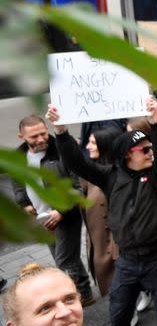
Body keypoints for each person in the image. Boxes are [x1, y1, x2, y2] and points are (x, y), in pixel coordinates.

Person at [49, 100, 157, 326]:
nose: (150, 153)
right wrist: (61, 132)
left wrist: (155, 124)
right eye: (143, 150)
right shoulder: (110, 177)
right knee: (119, 315)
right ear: (126, 156)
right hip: (127, 262)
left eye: (150, 148)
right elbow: (77, 162)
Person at [12, 115, 94, 305]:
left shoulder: (61, 150)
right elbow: (18, 184)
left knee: (64, 261)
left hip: (66, 215)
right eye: (34, 137)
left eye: (43, 133)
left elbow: (77, 186)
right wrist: (24, 204)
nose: (41, 139)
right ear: (21, 137)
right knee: (69, 257)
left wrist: (60, 211)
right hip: (42, 217)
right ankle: (85, 292)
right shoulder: (19, 157)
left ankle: (76, 297)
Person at [81, 126, 123, 298]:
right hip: (97, 239)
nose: (88, 147)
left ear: (106, 146)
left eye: (93, 143)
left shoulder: (120, 175)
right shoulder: (90, 171)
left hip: (114, 243)